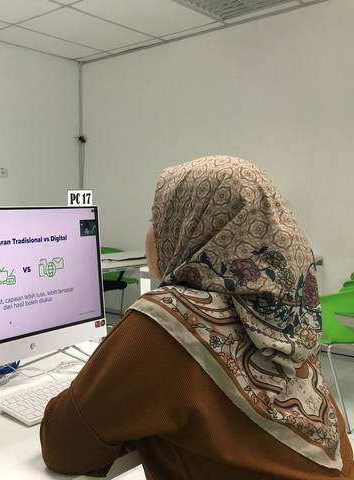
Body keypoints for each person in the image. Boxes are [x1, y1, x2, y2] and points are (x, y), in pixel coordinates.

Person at [40, 156, 354, 479]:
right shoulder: (286, 312)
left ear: (193, 230)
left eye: (159, 221)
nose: (151, 233)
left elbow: (63, 445)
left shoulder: (168, 320)